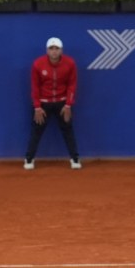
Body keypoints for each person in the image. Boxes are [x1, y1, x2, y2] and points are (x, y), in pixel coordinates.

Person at [25, 37, 80, 171]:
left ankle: (75, 158)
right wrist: (37, 106)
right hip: (43, 104)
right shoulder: (38, 64)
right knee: (36, 131)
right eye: (51, 49)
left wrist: (68, 104)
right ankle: (29, 158)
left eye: (57, 49)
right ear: (47, 50)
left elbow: (72, 85)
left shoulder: (70, 63)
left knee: (68, 130)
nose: (54, 52)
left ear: (61, 50)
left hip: (62, 104)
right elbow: (35, 87)